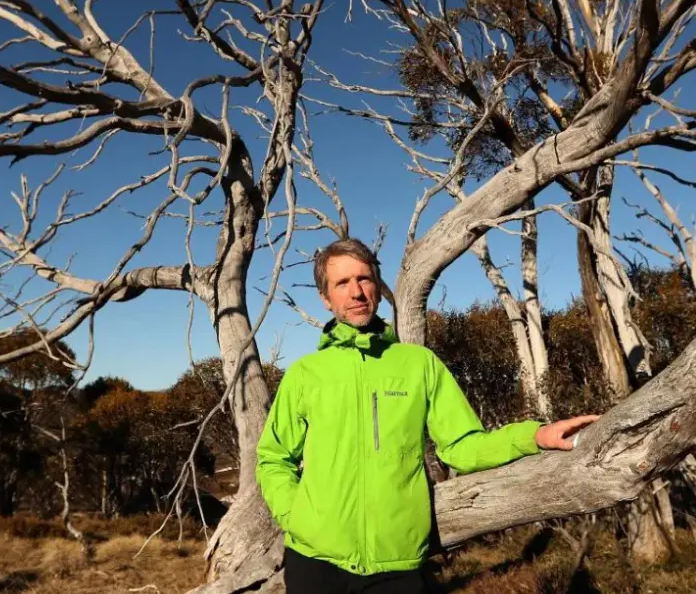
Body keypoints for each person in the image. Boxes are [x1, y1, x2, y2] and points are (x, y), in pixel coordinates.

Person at [256, 238, 599, 594]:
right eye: (342, 283)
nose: (356, 292)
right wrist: (296, 518)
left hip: (397, 564)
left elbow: (462, 447)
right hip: (314, 563)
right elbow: (273, 458)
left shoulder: (419, 364)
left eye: (364, 279)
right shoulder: (305, 374)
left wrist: (534, 436)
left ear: (377, 285)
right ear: (326, 298)